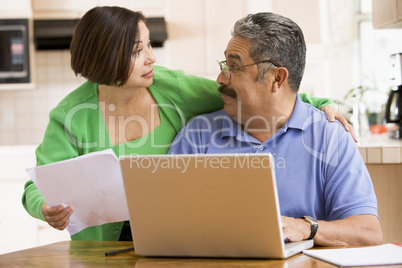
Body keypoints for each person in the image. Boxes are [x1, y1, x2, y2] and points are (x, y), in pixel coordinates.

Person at [22, 6, 350, 241]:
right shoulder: (70, 115)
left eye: (150, 44)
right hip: (98, 253)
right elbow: (37, 186)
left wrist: (316, 103)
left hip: (160, 245)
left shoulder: (170, 87)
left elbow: (253, 93)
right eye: (138, 50)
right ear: (105, 57)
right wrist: (46, 207)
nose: (152, 57)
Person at [168, 12, 382, 246]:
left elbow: (368, 233)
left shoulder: (329, 137)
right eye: (224, 65)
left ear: (277, 79)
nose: (220, 78)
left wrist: (306, 227)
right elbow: (165, 224)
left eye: (234, 67)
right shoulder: (197, 135)